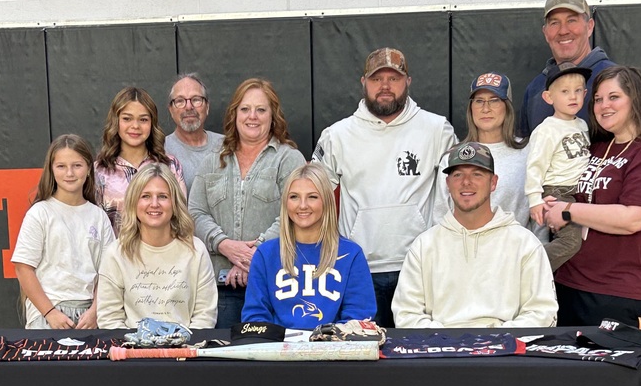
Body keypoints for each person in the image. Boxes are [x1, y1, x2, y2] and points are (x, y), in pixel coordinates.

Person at [313, 47, 457, 327]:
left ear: (408, 82)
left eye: (394, 78)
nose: (385, 86)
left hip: (419, 266)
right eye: (377, 79)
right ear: (364, 82)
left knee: (418, 355)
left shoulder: (436, 129)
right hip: (358, 268)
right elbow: (312, 196)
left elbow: (454, 196)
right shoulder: (337, 135)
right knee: (364, 357)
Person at [544, 66, 641, 330]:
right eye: (598, 99)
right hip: (567, 284)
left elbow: (634, 218)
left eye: (614, 97)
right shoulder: (596, 147)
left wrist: (568, 211)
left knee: (608, 372)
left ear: (636, 99)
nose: (603, 105)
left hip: (617, 293)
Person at [392, 142, 557, 328]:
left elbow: (543, 312)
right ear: (447, 183)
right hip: (441, 350)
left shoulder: (524, 243)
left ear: (493, 182)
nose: (466, 182)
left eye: (477, 174)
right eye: (458, 174)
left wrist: (495, 342)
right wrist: (448, 342)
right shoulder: (425, 245)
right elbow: (406, 314)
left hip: (503, 350)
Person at [188, 78, 306, 328]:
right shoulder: (212, 160)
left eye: (261, 110)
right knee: (224, 362)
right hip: (221, 289)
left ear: (273, 116)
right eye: (245, 109)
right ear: (235, 114)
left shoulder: (289, 159)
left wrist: (254, 256)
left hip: (277, 286)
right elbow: (195, 211)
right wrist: (224, 245)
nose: (252, 116)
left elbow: (295, 214)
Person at [242, 163, 376, 329]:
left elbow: (358, 315)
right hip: (279, 350)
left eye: (312, 197)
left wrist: (323, 341)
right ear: (285, 203)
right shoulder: (266, 254)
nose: (303, 205)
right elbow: (255, 315)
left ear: (326, 201)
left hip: (333, 350)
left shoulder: (351, 254)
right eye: (294, 197)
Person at [11, 134, 114, 329]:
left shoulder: (98, 217)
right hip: (49, 312)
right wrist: (50, 313)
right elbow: (23, 268)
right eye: (61, 166)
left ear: (89, 168)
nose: (70, 173)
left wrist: (95, 311)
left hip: (89, 316)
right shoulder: (40, 213)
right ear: (51, 169)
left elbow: (108, 272)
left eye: (77, 165)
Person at [97, 163, 217, 329]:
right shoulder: (116, 253)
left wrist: (183, 348)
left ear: (174, 203)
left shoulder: (196, 251)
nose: (154, 204)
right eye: (145, 196)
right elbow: (109, 318)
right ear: (134, 202)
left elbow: (205, 315)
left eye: (162, 196)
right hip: (134, 350)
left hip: (185, 350)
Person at [517, 0, 615, 138]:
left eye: (571, 20)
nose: (563, 31)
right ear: (545, 33)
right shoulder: (535, 89)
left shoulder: (615, 79)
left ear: (589, 27)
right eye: (555, 23)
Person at [525, 62, 591, 270]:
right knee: (570, 242)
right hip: (559, 192)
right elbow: (535, 166)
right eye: (565, 91)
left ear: (585, 93)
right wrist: (535, 199)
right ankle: (527, 269)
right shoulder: (546, 130)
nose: (573, 96)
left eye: (578, 91)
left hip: (581, 191)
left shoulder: (582, 124)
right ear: (549, 97)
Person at [95, 87, 185, 233]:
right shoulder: (99, 171)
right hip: (116, 254)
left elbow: (180, 218)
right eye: (127, 118)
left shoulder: (170, 165)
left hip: (161, 253)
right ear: (116, 121)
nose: (135, 126)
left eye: (143, 119)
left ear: (152, 123)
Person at [459, 72, 536, 238]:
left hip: (515, 254)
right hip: (465, 254)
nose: (486, 109)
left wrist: (540, 250)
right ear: (471, 108)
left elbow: (537, 209)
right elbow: (441, 215)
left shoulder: (527, 151)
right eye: (479, 101)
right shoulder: (456, 156)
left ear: (506, 106)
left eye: (494, 100)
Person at [164, 73, 223, 191]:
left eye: (196, 100)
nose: (189, 107)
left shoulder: (227, 145)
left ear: (207, 107)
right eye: (180, 101)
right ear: (171, 110)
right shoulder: (161, 151)